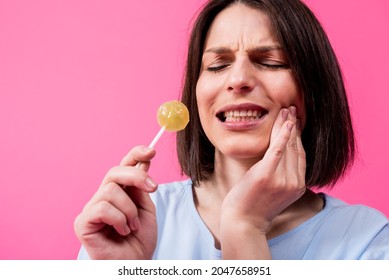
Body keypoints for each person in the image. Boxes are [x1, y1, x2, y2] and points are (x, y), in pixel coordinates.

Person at [74, 0, 389, 260]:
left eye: (271, 61)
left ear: (312, 89)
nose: (238, 79)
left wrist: (244, 227)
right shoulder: (132, 218)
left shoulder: (366, 241)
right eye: (216, 65)